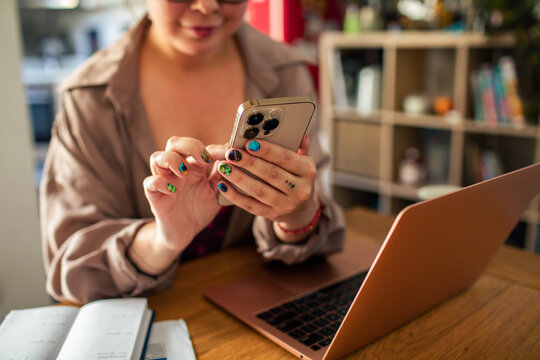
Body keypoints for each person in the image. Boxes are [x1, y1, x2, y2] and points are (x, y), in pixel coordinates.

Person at [40, 0, 345, 304]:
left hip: (259, 310)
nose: (207, 6)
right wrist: (162, 240)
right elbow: (70, 266)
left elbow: (323, 241)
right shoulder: (88, 98)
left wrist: (297, 215)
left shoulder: (287, 72)